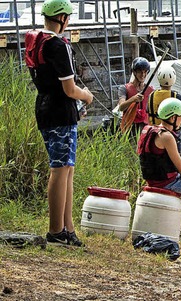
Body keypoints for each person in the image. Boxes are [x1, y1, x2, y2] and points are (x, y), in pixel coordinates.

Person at [25, 0, 94, 246]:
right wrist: (86, 95)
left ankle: (68, 229)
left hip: (46, 106)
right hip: (59, 111)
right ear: (62, 18)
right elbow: (68, 87)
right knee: (59, 169)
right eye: (69, 18)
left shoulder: (36, 40)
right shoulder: (57, 44)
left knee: (67, 169)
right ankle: (56, 231)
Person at [118, 57, 154, 134]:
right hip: (130, 126)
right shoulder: (124, 88)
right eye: (140, 72)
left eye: (145, 72)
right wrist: (133, 99)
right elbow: (121, 107)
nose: (143, 75)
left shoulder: (150, 90)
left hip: (145, 126)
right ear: (134, 72)